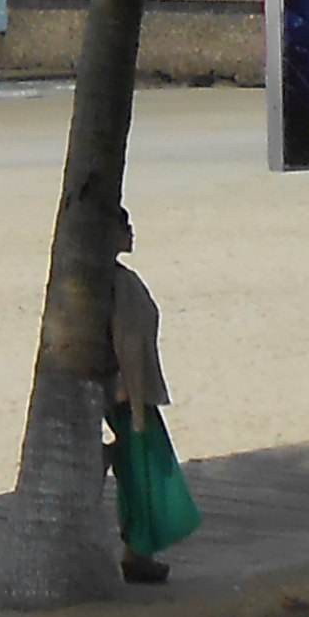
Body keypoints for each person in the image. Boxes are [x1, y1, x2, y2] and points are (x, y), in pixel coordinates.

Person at [104, 208, 197, 583]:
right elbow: (126, 342)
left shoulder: (113, 280)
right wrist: (139, 407)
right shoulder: (118, 284)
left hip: (127, 392)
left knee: (139, 473)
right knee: (146, 474)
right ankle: (138, 553)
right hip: (129, 395)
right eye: (123, 226)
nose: (131, 231)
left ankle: (138, 552)